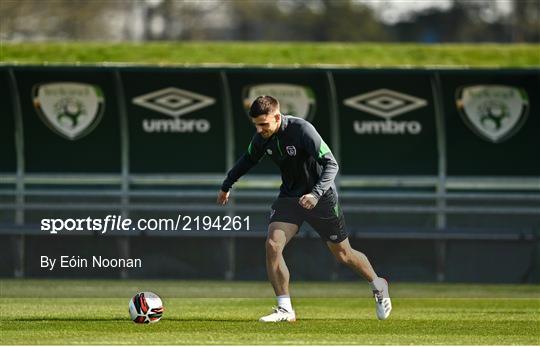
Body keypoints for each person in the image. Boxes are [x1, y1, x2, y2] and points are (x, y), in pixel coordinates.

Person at [217, 95, 391, 322]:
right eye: (256, 125)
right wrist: (226, 186)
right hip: (290, 198)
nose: (260, 130)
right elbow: (247, 159)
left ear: (277, 117)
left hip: (321, 197)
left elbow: (331, 164)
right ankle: (285, 309)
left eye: (264, 124)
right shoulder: (262, 138)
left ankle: (378, 285)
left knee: (343, 254)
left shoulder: (302, 130)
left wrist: (315, 194)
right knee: (272, 244)